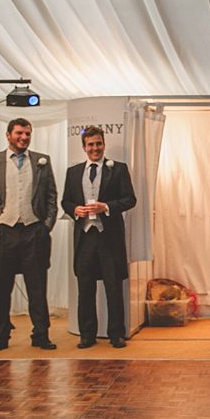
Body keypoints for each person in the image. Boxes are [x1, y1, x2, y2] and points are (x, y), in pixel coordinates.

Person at [0, 118, 58, 354]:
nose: (24, 137)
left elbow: (51, 196)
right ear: (8, 135)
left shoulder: (42, 161)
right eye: (19, 133)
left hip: (33, 231)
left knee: (37, 288)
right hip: (1, 232)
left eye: (27, 133)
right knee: (0, 290)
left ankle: (41, 334)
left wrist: (46, 226)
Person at [61, 126, 136, 349]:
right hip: (85, 238)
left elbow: (130, 199)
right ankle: (87, 335)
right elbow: (65, 201)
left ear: (104, 144)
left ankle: (116, 334)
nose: (95, 148)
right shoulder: (73, 172)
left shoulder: (118, 169)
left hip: (109, 238)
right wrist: (75, 210)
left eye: (99, 144)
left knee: (113, 287)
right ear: (84, 147)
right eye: (91, 144)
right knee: (85, 288)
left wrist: (107, 207)